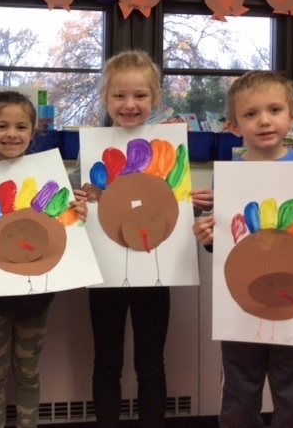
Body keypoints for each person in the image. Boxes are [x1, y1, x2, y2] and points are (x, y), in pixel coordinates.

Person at [68, 50, 212, 428]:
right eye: (119, 96)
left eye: (140, 96)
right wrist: (77, 203)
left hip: (156, 272)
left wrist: (192, 206)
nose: (129, 104)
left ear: (155, 99)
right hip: (107, 275)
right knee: (107, 362)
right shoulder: (92, 148)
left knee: (151, 363)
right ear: (104, 97)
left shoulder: (168, 147)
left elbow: (172, 209)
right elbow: (73, 203)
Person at [193, 70, 293, 428]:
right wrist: (208, 238)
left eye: (275, 110)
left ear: (292, 116)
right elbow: (229, 246)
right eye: (250, 114)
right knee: (238, 399)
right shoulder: (231, 174)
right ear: (234, 125)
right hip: (242, 310)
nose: (264, 120)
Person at [0, 90, 87, 428]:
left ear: (34, 132)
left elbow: (65, 229)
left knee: (29, 371)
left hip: (37, 296)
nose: (11, 134)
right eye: (1, 126)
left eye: (21, 126)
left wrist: (78, 214)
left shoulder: (50, 180)